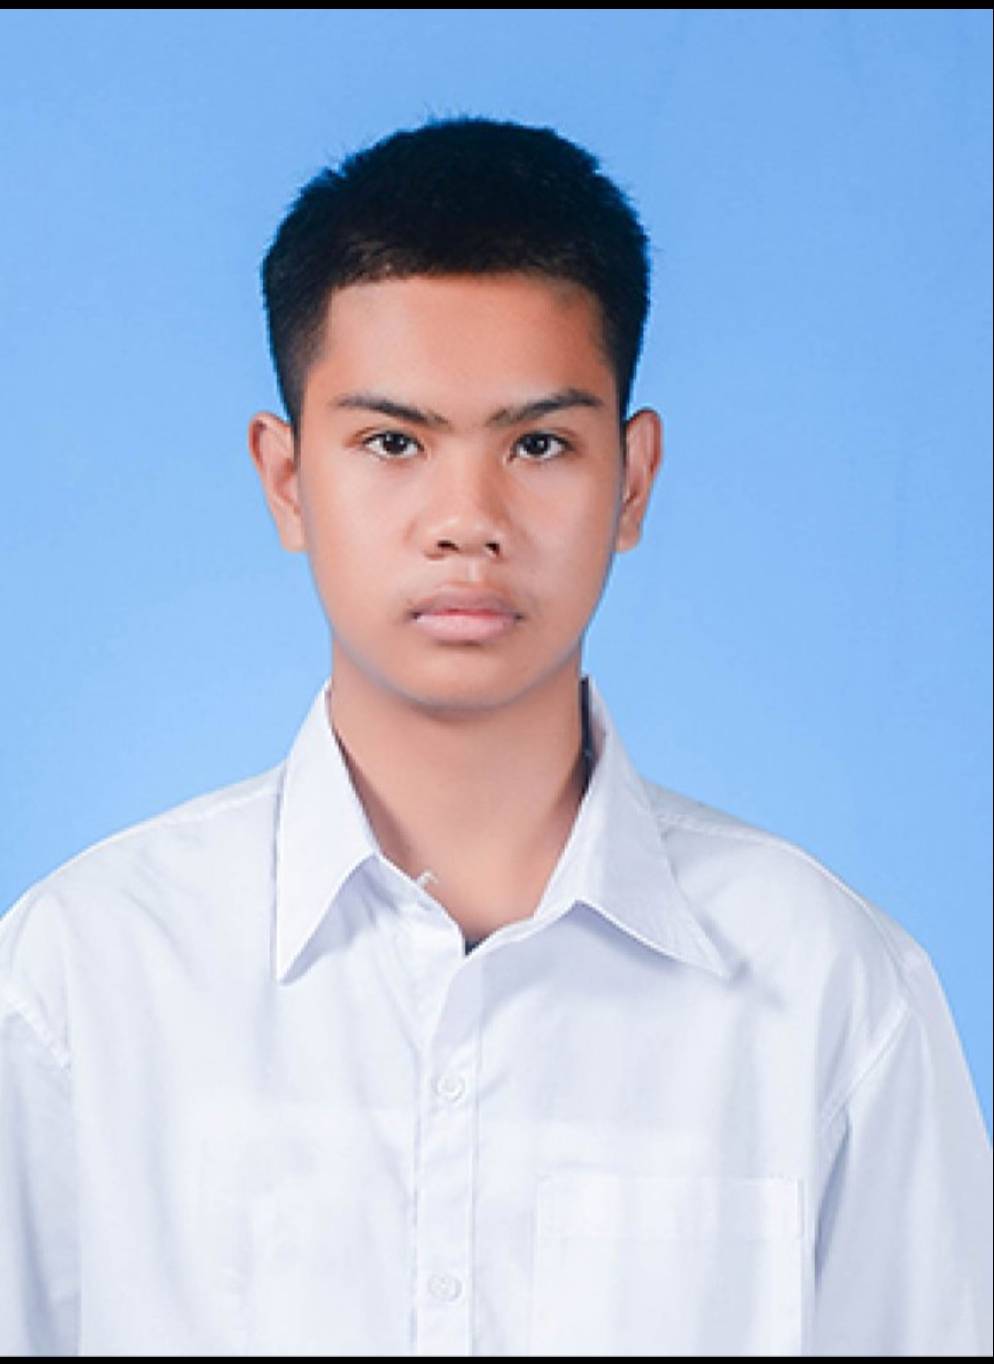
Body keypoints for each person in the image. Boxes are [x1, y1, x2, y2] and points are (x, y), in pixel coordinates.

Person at [0, 115, 990, 1358]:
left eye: (537, 443)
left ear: (632, 479)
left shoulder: (831, 991)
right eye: (393, 442)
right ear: (287, 478)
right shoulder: (80, 982)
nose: (466, 519)